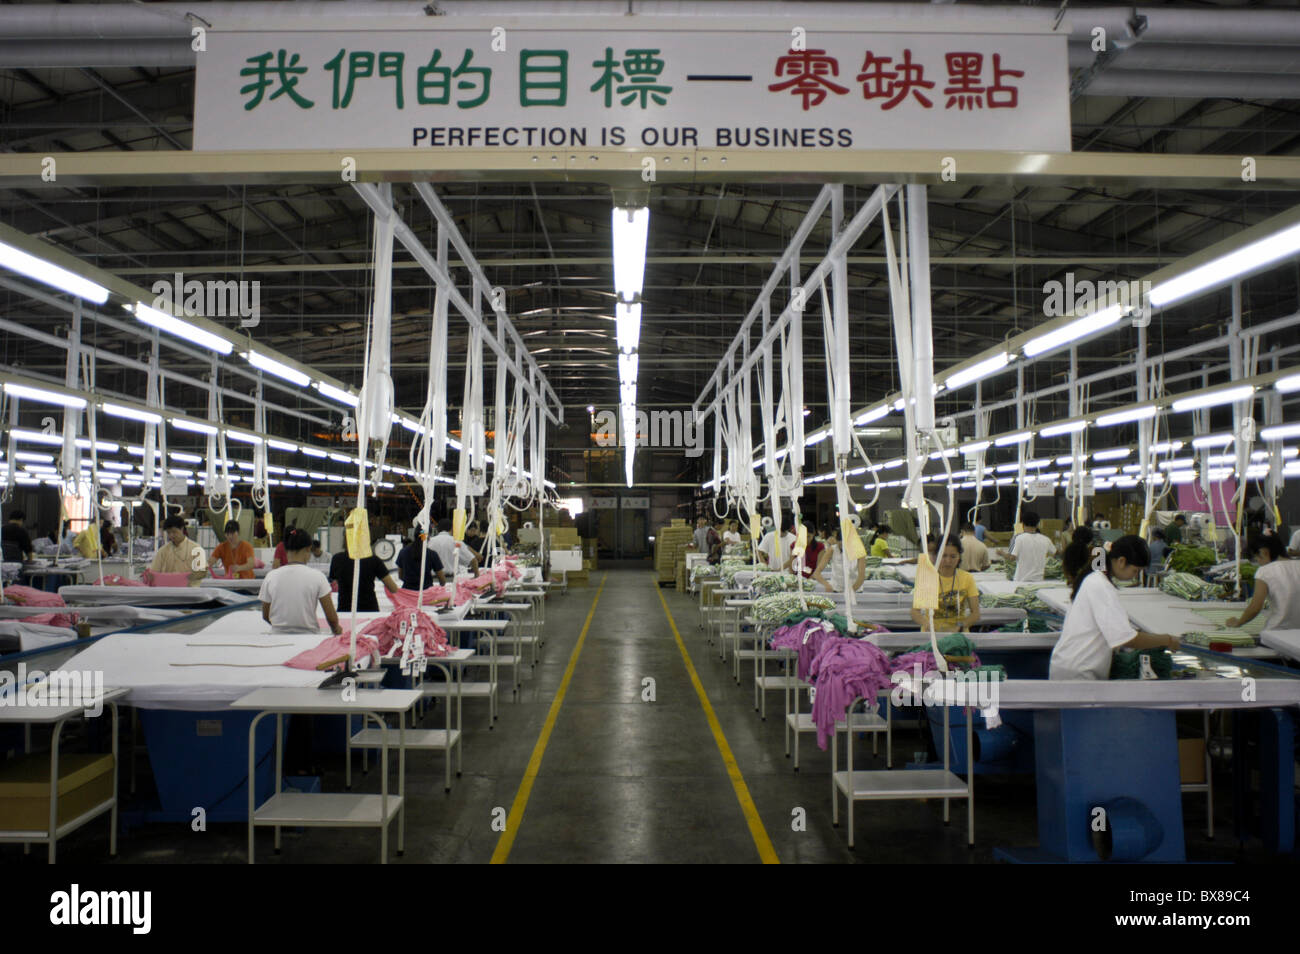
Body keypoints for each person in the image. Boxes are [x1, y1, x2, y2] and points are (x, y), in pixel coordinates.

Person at [1049, 536, 1178, 680]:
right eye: (1135, 571)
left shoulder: (1094, 578)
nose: (1135, 577)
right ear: (1121, 561)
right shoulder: (1101, 586)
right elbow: (1127, 639)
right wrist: (1167, 639)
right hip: (1079, 671)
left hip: (1072, 666)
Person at [259, 527, 342, 635]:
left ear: (286, 549)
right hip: (308, 637)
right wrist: (337, 631)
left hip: (277, 637)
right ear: (308, 549)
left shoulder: (271, 577)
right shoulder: (318, 577)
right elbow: (331, 618)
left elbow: (266, 615)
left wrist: (282, 628)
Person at [1226, 536, 1300, 631]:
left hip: (1277, 632)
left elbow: (1255, 607)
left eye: (1257, 558)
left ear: (1264, 552)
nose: (1259, 563)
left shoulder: (1265, 571)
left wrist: (1239, 622)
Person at [911, 537, 981, 633]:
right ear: (937, 556)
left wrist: (959, 627)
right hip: (932, 634)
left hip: (958, 635)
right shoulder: (927, 578)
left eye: (953, 556)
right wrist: (927, 624)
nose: (948, 561)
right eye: (944, 556)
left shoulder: (967, 578)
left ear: (959, 557)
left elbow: (975, 613)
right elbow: (915, 612)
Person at [329, 531, 401, 613]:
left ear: (345, 539)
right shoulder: (374, 560)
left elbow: (333, 583)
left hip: (345, 610)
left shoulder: (337, 559)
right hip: (369, 610)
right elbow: (393, 588)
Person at [1000, 510, 1056, 582]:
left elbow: (1012, 558)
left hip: (1021, 580)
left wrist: (1001, 553)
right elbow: (1056, 553)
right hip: (1038, 580)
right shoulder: (1046, 539)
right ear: (1038, 524)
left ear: (1022, 523)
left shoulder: (1020, 538)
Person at [150, 515, 208, 585]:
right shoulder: (163, 551)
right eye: (168, 532)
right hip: (168, 591)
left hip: (190, 591)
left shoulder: (196, 549)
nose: (171, 535)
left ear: (182, 529)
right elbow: (154, 572)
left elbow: (202, 572)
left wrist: (184, 578)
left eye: (174, 532)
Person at [811, 523, 865, 593]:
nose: (842, 548)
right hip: (836, 590)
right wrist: (827, 585)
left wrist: (851, 591)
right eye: (840, 545)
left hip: (855, 591)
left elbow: (861, 577)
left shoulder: (859, 551)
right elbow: (816, 573)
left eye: (845, 546)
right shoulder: (832, 550)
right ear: (836, 541)